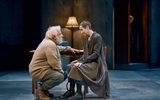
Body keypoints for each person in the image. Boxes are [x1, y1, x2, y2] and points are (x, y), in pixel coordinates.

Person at [60, 21, 110, 99]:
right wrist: (79, 61)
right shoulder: (86, 37)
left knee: (77, 67)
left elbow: (96, 54)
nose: (81, 32)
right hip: (89, 62)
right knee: (71, 65)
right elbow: (86, 53)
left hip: (96, 64)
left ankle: (79, 94)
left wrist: (82, 62)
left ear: (87, 27)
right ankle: (71, 90)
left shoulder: (97, 37)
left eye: (82, 29)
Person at [29, 25, 80, 100]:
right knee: (60, 76)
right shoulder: (49, 44)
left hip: (40, 69)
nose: (62, 35)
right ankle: (41, 90)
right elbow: (53, 63)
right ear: (54, 36)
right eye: (60, 34)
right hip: (38, 71)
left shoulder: (49, 42)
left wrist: (67, 48)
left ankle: (44, 89)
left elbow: (57, 48)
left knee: (64, 74)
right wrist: (60, 71)